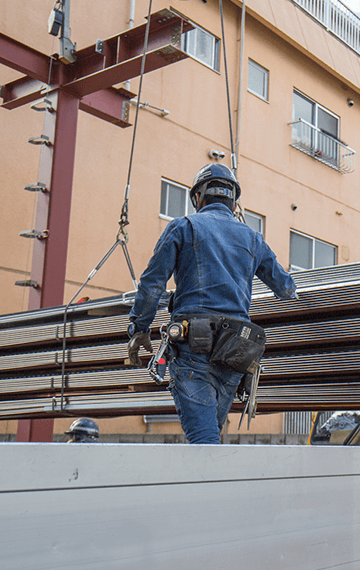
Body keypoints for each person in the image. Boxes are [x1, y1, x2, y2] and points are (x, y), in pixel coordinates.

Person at [127, 164, 297, 444]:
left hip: (195, 347)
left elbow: (153, 282)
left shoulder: (184, 227)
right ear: (234, 200)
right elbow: (284, 287)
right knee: (210, 436)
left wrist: (139, 330)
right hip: (235, 351)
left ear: (198, 197)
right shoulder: (253, 238)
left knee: (204, 441)